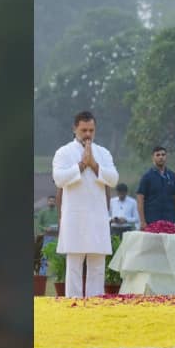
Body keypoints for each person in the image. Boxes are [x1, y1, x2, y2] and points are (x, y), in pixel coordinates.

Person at [51, 110, 119, 297]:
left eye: (91, 130)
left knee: (97, 267)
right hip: (75, 217)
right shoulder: (64, 152)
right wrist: (82, 165)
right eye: (84, 130)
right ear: (75, 129)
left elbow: (113, 179)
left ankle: (95, 306)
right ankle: (73, 308)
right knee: (73, 267)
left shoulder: (103, 153)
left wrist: (94, 165)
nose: (88, 134)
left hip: (98, 216)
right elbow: (58, 179)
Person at [136, 147, 175, 229]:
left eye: (163, 154)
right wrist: (142, 221)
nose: (161, 157)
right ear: (153, 157)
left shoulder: (172, 176)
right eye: (157, 155)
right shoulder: (147, 177)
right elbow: (140, 200)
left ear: (166, 157)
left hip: (169, 220)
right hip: (152, 220)